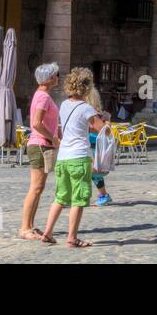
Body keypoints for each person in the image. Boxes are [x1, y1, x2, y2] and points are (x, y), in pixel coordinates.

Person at [40, 68, 106, 247]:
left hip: (63, 158)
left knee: (60, 197)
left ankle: (47, 233)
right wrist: (106, 123)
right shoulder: (86, 108)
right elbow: (102, 129)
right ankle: (72, 237)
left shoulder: (64, 105)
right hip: (79, 157)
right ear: (87, 87)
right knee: (79, 198)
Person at [20, 62, 60, 242]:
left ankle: (29, 225)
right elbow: (36, 123)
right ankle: (24, 227)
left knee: (39, 188)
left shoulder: (41, 95)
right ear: (50, 78)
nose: (58, 78)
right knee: (35, 188)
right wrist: (52, 137)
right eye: (56, 75)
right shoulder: (43, 96)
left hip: (41, 143)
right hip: (40, 144)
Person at [86, 87, 112, 206]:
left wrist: (107, 121)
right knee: (92, 173)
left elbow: (105, 131)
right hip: (91, 145)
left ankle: (103, 195)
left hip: (92, 146)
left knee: (93, 172)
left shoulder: (93, 114)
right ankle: (103, 195)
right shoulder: (97, 114)